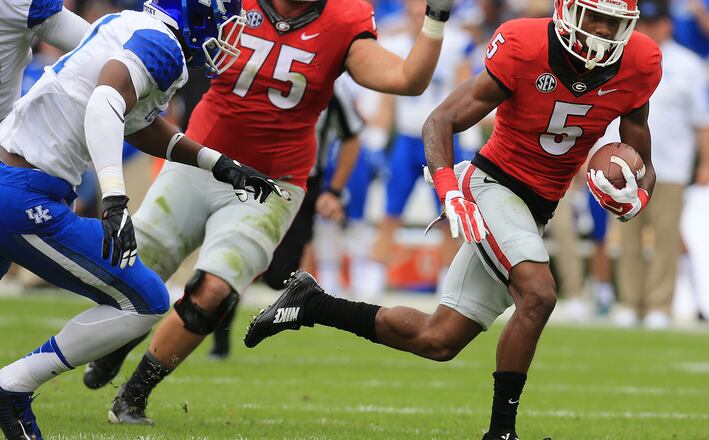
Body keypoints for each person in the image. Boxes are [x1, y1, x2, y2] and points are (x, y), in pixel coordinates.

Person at [245, 0, 663, 438]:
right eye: (594, 16)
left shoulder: (639, 62)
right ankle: (501, 433)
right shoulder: (524, 45)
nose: (601, 30)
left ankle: (311, 303)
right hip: (493, 187)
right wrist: (448, 189)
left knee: (438, 339)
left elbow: (643, 162)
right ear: (566, 11)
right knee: (538, 296)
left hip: (537, 207)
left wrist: (637, 194)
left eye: (614, 21)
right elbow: (440, 120)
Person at [83, 0, 457, 425]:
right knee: (135, 271)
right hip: (199, 159)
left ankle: (133, 395)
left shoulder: (344, 16)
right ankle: (113, 347)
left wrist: (436, 17)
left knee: (214, 290)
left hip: (272, 182)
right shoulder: (233, 4)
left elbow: (408, 80)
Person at [0, 0, 283, 437]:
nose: (227, 33)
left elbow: (136, 122)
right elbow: (105, 103)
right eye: (224, 19)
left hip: (12, 176)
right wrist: (115, 199)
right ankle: (12, 385)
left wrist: (217, 162)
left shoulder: (125, 24)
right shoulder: (162, 44)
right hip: (24, 195)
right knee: (145, 300)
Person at [209, 73, 365, 359]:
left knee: (279, 275)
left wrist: (335, 190)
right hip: (252, 179)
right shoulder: (255, 73)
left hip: (301, 187)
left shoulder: (332, 88)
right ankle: (219, 344)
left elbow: (352, 137)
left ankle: (286, 303)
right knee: (236, 261)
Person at [612, 0, 709, 329]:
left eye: (654, 24)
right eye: (643, 23)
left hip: (670, 166)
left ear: (667, 26)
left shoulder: (689, 65)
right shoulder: (620, 57)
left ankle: (660, 305)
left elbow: (705, 120)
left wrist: (708, 163)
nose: (647, 29)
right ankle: (629, 302)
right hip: (625, 165)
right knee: (626, 236)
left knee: (665, 237)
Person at [367, 0, 477, 296]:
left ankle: (447, 280)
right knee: (391, 212)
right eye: (414, 13)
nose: (419, 18)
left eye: (423, 12)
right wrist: (377, 137)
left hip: (442, 140)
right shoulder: (395, 44)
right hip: (406, 138)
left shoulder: (456, 42)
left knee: (446, 214)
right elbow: (387, 99)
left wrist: (468, 136)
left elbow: (465, 90)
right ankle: (375, 276)